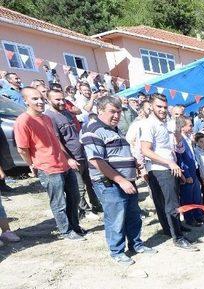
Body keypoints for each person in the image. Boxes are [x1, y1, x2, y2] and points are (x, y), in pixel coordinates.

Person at [81, 95, 156, 265]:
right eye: (112, 111)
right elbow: (96, 160)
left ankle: (136, 244)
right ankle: (117, 252)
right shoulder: (92, 129)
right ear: (100, 110)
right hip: (110, 184)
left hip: (128, 181)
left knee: (133, 216)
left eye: (119, 112)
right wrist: (121, 180)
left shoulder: (115, 129)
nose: (116, 115)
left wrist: (133, 162)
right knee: (116, 219)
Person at [15, 88, 84, 240]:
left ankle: (75, 226)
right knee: (59, 203)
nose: (40, 102)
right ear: (26, 101)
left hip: (63, 164)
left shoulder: (46, 118)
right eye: (34, 99)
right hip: (47, 168)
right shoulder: (23, 121)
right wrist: (31, 164)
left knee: (74, 197)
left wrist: (66, 158)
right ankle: (66, 231)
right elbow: (22, 149)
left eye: (41, 98)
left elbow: (55, 141)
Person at [139, 94, 196, 251]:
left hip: (170, 167)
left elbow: (178, 148)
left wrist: (177, 135)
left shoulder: (166, 124)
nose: (163, 110)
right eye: (159, 107)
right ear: (151, 106)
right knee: (171, 204)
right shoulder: (148, 124)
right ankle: (177, 237)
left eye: (165, 107)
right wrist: (169, 162)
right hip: (160, 170)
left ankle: (171, 229)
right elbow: (145, 150)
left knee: (170, 202)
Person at [45, 88, 103, 220]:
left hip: (82, 153)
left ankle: (96, 205)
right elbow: (56, 140)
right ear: (48, 100)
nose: (61, 102)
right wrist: (68, 158)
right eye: (57, 99)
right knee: (79, 186)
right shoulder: (50, 117)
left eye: (62, 99)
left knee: (91, 182)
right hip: (71, 157)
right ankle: (85, 210)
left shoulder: (66, 112)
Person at [175, 116, 204, 225]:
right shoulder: (179, 139)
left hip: (194, 170)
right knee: (187, 198)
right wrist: (186, 174)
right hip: (188, 172)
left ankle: (198, 215)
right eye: (190, 125)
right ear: (182, 127)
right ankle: (189, 219)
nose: (192, 127)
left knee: (196, 196)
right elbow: (180, 159)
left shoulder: (188, 138)